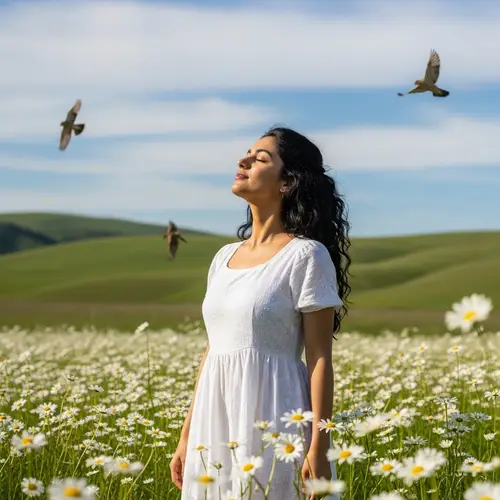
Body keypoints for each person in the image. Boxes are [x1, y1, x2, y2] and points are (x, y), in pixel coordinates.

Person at [170, 127, 351, 499]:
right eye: (247, 154)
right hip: (214, 418)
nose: (244, 161)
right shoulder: (223, 258)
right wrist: (187, 435)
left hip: (275, 414)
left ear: (287, 182)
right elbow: (214, 350)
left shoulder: (306, 256)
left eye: (261, 158)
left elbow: (319, 358)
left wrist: (318, 444)